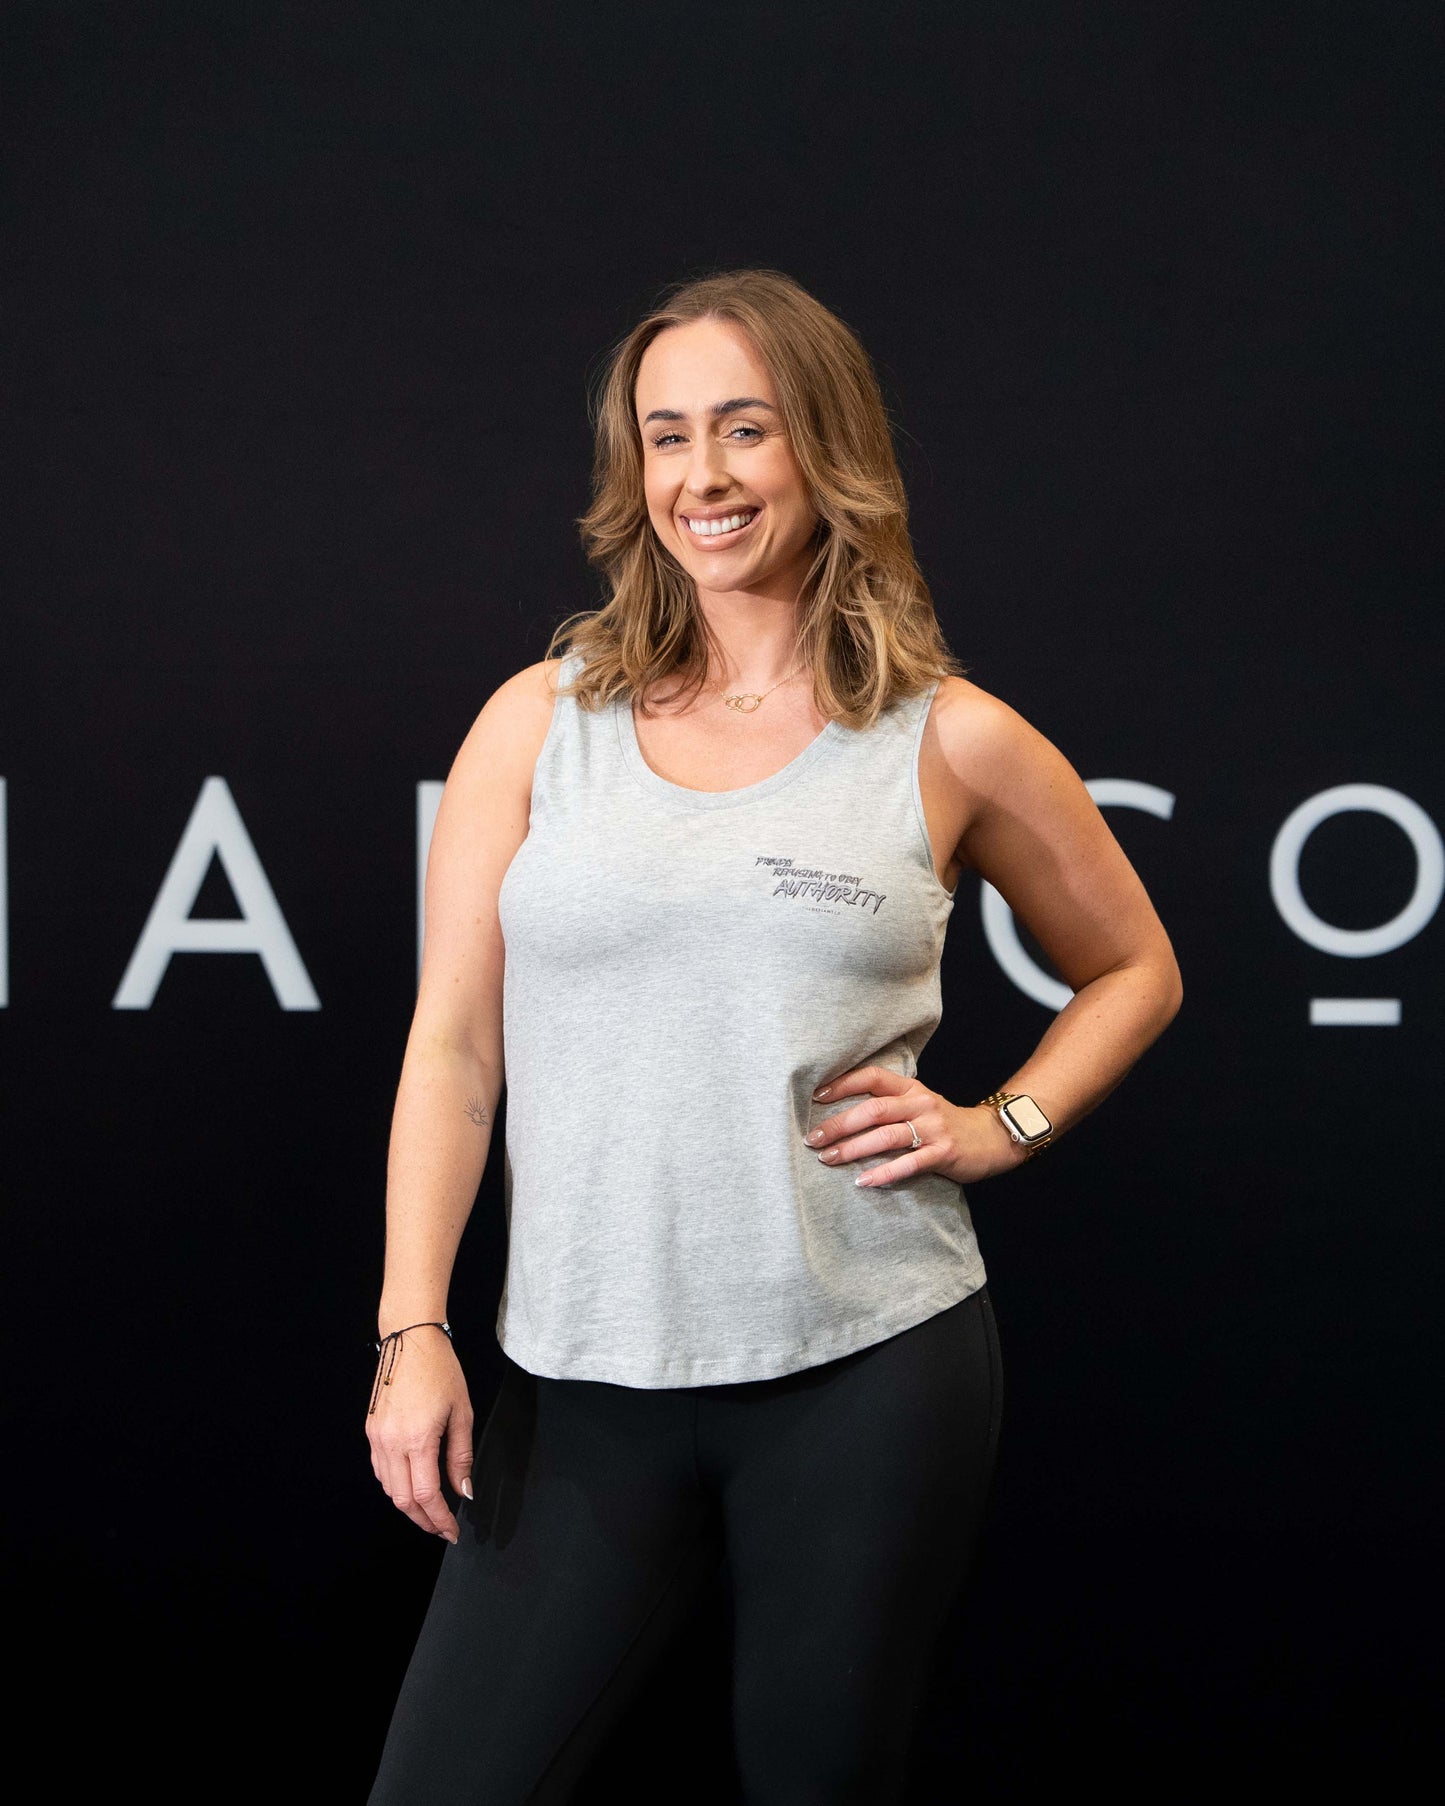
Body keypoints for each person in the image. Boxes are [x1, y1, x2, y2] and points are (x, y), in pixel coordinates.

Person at [365, 267, 1183, 1804]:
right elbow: (454, 1051)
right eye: (666, 437)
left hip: (862, 1369)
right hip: (582, 1370)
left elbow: (1134, 964)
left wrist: (998, 1123)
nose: (703, 477)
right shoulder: (537, 722)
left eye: (744, 430)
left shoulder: (948, 735)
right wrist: (414, 1326)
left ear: (825, 449)